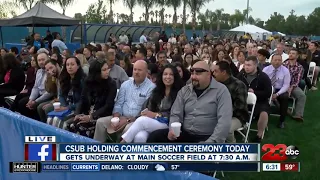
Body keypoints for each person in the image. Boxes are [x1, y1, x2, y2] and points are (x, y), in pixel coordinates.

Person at [147, 61, 233, 143]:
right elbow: (176, 114)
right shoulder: (185, 90)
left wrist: (211, 142)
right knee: (154, 137)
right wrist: (173, 129)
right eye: (192, 73)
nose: (194, 76)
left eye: (198, 73)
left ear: (208, 74)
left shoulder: (221, 91)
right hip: (185, 134)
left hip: (208, 136)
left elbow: (224, 122)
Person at [93, 60, 155, 142]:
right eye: (135, 69)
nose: (136, 72)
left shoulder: (151, 88)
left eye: (139, 70)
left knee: (127, 129)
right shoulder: (125, 84)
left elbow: (145, 111)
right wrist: (116, 118)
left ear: (146, 72)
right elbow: (119, 103)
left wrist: (127, 120)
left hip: (136, 121)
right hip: (120, 116)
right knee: (100, 123)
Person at [121, 64, 184, 143]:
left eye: (171, 74)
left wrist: (155, 115)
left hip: (168, 123)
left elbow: (175, 113)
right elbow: (149, 107)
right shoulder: (157, 91)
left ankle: (122, 143)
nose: (168, 77)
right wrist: (145, 112)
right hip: (153, 122)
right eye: (165, 74)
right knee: (140, 136)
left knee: (141, 121)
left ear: (175, 77)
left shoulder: (180, 93)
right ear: (161, 76)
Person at [68, 59, 117, 138]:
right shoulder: (88, 82)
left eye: (108, 68)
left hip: (101, 115)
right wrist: (77, 113)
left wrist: (91, 116)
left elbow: (109, 105)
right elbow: (82, 99)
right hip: (87, 113)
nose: (107, 71)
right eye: (104, 70)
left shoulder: (111, 84)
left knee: (81, 128)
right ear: (96, 72)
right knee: (71, 125)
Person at [211, 61, 249, 143]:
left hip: (238, 116)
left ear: (224, 72)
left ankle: (232, 150)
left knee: (226, 129)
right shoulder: (215, 84)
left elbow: (240, 106)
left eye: (216, 71)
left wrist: (222, 113)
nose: (213, 74)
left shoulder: (238, 85)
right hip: (218, 115)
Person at [237, 56, 272, 142]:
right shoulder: (241, 75)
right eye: (245, 65)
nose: (246, 67)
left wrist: (255, 92)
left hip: (260, 101)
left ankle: (259, 135)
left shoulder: (263, 77)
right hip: (243, 100)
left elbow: (268, 93)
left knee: (264, 112)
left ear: (255, 65)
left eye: (249, 65)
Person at [51, 56, 86, 128]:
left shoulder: (83, 80)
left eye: (72, 64)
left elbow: (83, 101)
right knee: (50, 119)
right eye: (67, 65)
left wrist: (67, 107)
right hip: (66, 107)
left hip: (77, 109)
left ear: (78, 66)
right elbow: (61, 95)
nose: (70, 67)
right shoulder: (64, 79)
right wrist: (64, 105)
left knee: (58, 120)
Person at [17, 52, 49, 120]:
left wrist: (36, 101)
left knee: (37, 106)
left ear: (48, 59)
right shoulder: (39, 71)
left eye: (43, 59)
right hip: (39, 95)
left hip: (47, 97)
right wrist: (31, 99)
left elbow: (50, 92)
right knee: (22, 103)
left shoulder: (51, 72)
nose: (41, 62)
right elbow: (35, 87)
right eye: (39, 60)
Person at [263, 54, 290, 128]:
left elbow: (286, 85)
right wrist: (269, 93)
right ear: (271, 61)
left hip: (279, 89)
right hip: (268, 88)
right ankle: (259, 116)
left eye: (279, 60)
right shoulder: (266, 70)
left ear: (282, 61)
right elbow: (262, 82)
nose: (277, 62)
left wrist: (277, 94)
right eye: (275, 60)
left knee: (285, 97)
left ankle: (282, 121)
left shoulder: (285, 71)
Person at [283, 48, 306, 121]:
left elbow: (297, 80)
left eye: (293, 53)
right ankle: (284, 109)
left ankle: (298, 115)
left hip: (292, 86)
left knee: (302, 96)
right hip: (282, 85)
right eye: (290, 53)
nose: (291, 54)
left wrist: (291, 88)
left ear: (297, 56)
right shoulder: (283, 65)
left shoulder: (299, 67)